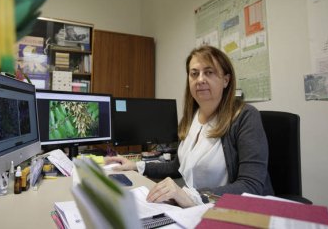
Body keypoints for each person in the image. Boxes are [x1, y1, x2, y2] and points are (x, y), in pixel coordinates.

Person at [105, 45, 274, 208]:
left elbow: (251, 186)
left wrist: (191, 196)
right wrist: (137, 166)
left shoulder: (244, 116)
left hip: (232, 212)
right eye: (194, 74)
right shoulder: (190, 118)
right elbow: (176, 167)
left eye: (209, 72)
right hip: (195, 209)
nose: (200, 79)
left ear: (225, 80)